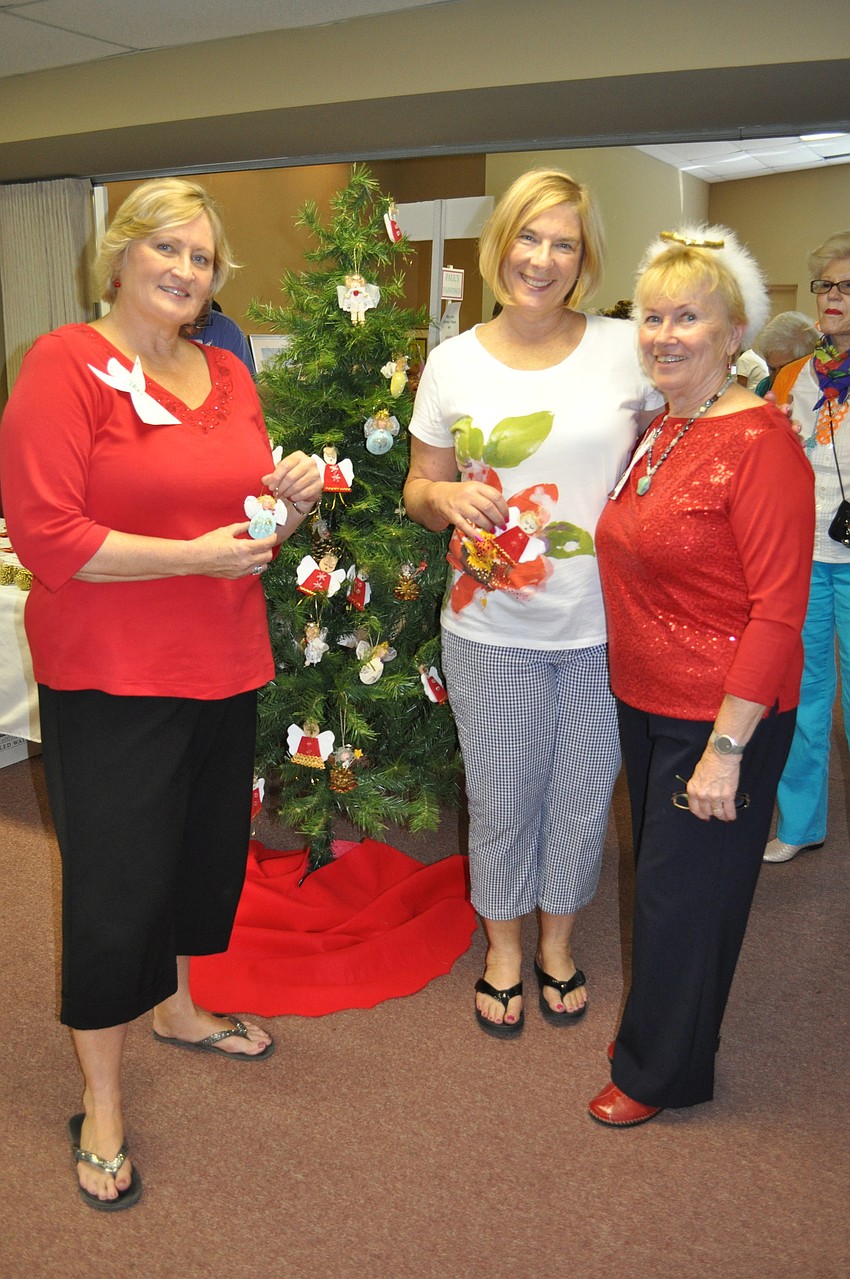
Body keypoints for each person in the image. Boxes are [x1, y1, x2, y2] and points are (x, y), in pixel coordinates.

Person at [0, 177, 322, 1209]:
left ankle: (181, 1009)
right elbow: (50, 538)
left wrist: (286, 503)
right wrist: (191, 555)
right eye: (168, 250)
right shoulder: (62, 365)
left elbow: (239, 518)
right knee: (114, 884)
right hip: (112, 673)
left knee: (197, 856)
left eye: (203, 259)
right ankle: (99, 1096)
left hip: (224, 659)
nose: (186, 272)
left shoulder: (227, 371)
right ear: (122, 253)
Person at [400, 169, 663, 1038]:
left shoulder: (630, 348)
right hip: (490, 624)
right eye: (529, 237)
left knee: (587, 794)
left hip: (606, 624)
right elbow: (418, 486)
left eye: (564, 243)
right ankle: (504, 948)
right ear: (500, 243)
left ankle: (558, 942)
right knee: (504, 793)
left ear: (585, 259)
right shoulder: (452, 361)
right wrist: (442, 503)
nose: (542, 259)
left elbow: (678, 449)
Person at [588, 225, 814, 1126]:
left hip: (723, 713)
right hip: (648, 698)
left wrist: (726, 748)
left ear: (734, 335)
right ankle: (660, 1032)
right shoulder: (666, 426)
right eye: (653, 315)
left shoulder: (761, 444)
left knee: (687, 900)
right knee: (667, 886)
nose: (666, 333)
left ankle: (662, 1072)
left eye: (690, 316)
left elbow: (779, 613)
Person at [763, 232, 850, 862]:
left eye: (848, 287)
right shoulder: (794, 376)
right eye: (826, 286)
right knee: (804, 699)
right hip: (806, 559)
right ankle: (799, 824)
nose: (832, 298)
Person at [752, 310, 820, 398]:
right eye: (772, 369)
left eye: (785, 369)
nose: (777, 377)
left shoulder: (822, 390)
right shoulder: (764, 388)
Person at [188, 298, 256, 373]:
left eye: (201, 321)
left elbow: (245, 379)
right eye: (185, 323)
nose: (191, 331)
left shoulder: (227, 330)